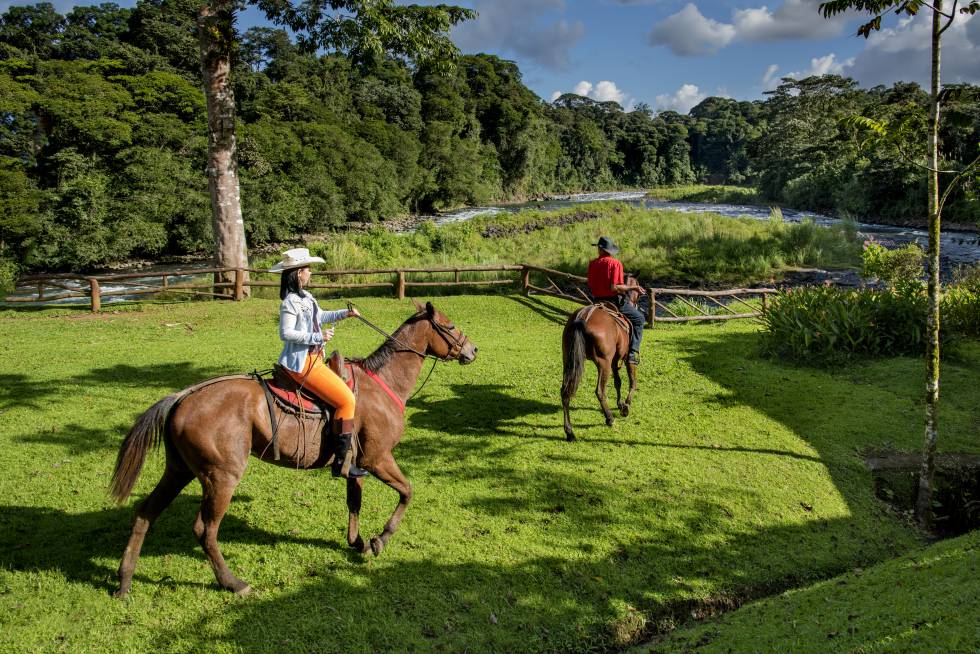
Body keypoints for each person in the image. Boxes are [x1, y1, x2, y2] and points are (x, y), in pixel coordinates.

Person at [270, 247, 367, 478]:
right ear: (298, 273)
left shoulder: (307, 297)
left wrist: (346, 313)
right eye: (307, 269)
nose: (310, 273)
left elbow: (320, 316)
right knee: (346, 400)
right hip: (302, 363)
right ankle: (342, 464)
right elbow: (286, 333)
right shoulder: (290, 302)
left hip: (315, 359)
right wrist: (317, 337)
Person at [586, 236, 646, 365]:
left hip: (596, 302)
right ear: (610, 250)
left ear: (600, 249)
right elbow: (615, 287)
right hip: (614, 302)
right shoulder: (615, 263)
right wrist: (634, 286)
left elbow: (590, 284)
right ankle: (633, 352)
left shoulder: (592, 264)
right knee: (639, 319)